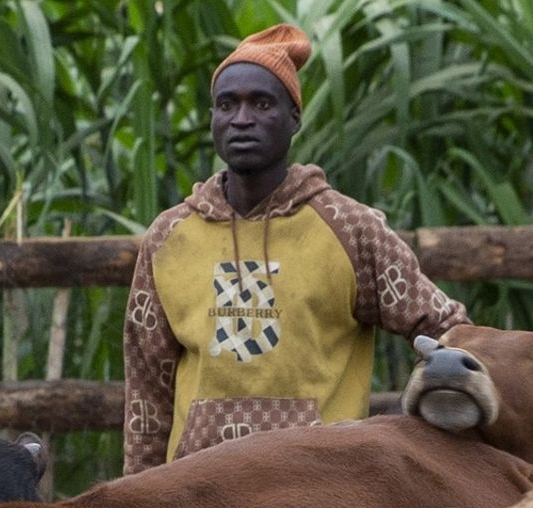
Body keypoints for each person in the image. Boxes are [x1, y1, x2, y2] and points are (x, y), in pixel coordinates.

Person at [122, 23, 469, 475]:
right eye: (227, 104)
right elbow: (147, 393)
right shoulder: (168, 237)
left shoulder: (351, 229)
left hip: (322, 488)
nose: (241, 119)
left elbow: (449, 331)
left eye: (261, 103)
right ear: (212, 118)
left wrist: (406, 449)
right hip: (198, 492)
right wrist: (140, 499)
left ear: (293, 118)